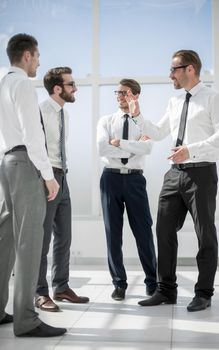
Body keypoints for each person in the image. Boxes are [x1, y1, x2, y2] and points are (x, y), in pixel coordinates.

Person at [137, 50, 219, 312]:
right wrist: (137, 115)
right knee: (163, 230)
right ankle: (166, 290)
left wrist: (190, 150)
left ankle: (204, 293)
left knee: (205, 233)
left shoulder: (212, 98)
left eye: (174, 69)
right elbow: (160, 132)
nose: (170, 74)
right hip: (174, 174)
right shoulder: (174, 102)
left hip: (201, 173)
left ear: (190, 69)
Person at [0, 33, 66, 337]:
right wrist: (48, 176)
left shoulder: (0, 81)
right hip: (26, 163)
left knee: (5, 240)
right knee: (28, 242)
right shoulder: (22, 84)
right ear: (27, 55)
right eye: (37, 56)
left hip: (5, 163)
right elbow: (32, 135)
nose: (39, 62)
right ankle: (26, 319)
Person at [97, 78, 157, 301]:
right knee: (113, 233)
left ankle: (152, 282)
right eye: (118, 92)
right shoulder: (105, 121)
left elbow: (148, 147)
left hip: (135, 180)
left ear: (136, 96)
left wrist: (117, 143)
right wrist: (133, 146)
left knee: (144, 231)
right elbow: (101, 147)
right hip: (110, 179)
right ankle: (119, 284)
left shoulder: (144, 124)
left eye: (126, 93)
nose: (121, 96)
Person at [35, 67, 89, 312]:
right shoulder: (40, 111)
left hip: (63, 176)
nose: (75, 88)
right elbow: (36, 149)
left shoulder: (64, 114)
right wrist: (48, 178)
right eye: (71, 85)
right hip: (46, 178)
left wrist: (60, 177)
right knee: (42, 239)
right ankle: (39, 292)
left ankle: (61, 287)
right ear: (57, 88)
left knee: (64, 237)